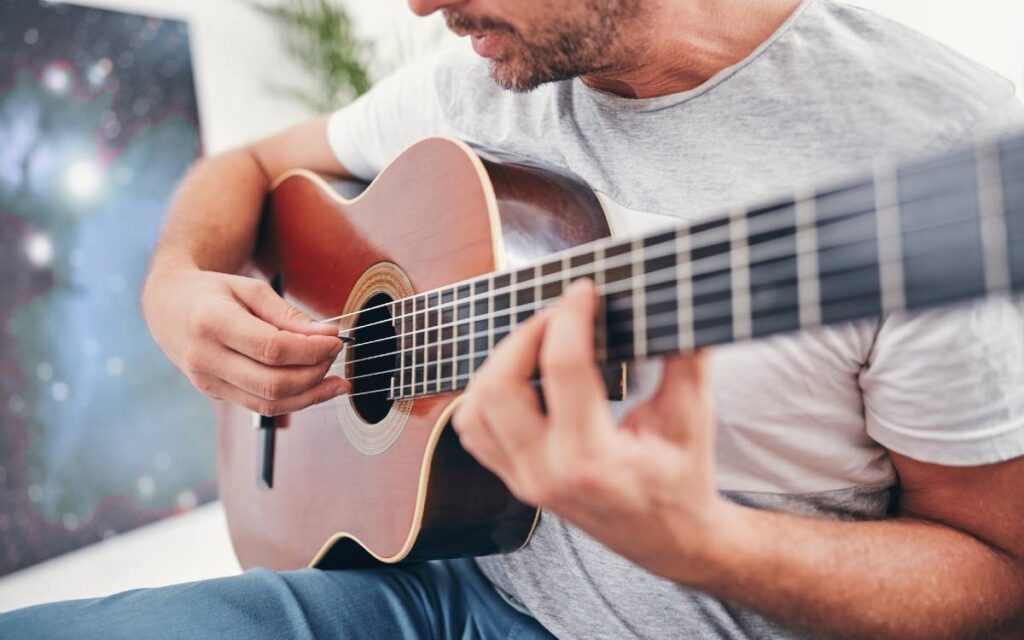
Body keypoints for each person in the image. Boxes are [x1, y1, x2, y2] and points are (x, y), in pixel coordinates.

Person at [3, 0, 1024, 638]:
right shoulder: (482, 87)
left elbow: (999, 583)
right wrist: (175, 282)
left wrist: (703, 541)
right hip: (417, 580)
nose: (420, 4)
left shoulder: (936, 150)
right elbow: (251, 166)